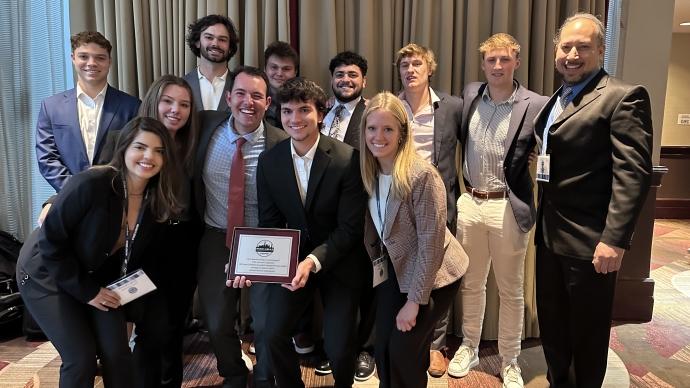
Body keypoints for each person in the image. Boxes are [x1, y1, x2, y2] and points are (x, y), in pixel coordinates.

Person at [17, 117, 181, 388]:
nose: (149, 156)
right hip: (46, 273)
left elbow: (142, 260)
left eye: (159, 151)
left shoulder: (157, 199)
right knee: (80, 358)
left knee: (117, 354)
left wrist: (128, 304)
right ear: (125, 147)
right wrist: (87, 292)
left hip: (96, 276)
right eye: (140, 147)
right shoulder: (92, 183)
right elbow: (51, 243)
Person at [534, 13, 653, 387]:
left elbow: (632, 173)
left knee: (586, 333)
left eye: (583, 47)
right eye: (566, 46)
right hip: (550, 236)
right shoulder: (558, 97)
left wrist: (615, 240)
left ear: (601, 50)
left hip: (591, 242)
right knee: (553, 326)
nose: (572, 54)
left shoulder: (622, 96)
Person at [232, 77, 367, 388]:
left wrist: (312, 262)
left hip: (339, 262)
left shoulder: (348, 160)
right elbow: (270, 222)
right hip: (290, 264)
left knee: (338, 345)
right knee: (272, 332)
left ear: (320, 114)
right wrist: (256, 264)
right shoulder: (269, 162)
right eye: (287, 111)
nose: (294, 119)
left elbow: (349, 229)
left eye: (303, 110)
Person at [447, 33, 548, 388]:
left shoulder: (536, 104)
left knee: (511, 290)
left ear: (516, 62)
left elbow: (547, 149)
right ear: (483, 63)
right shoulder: (470, 94)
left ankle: (510, 361)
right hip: (470, 203)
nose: (498, 66)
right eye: (491, 60)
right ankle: (469, 346)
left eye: (504, 59)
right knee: (470, 285)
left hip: (508, 205)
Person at [360, 91, 469, 388]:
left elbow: (431, 244)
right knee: (383, 347)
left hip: (435, 274)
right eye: (372, 128)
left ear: (402, 133)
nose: (378, 136)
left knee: (402, 351)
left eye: (388, 129)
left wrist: (414, 302)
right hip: (395, 268)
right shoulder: (369, 170)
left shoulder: (421, 176)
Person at [194, 66, 289, 388]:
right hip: (214, 234)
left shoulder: (282, 143)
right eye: (241, 93)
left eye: (257, 96)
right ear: (228, 97)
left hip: (262, 240)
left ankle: (264, 378)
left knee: (265, 323)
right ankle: (233, 373)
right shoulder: (205, 126)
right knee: (217, 320)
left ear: (268, 102)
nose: (248, 102)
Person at [395, 42, 463, 376]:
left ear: (429, 68)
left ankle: (436, 346)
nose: (410, 70)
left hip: (439, 203)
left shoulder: (452, 107)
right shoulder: (390, 106)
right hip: (397, 204)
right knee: (402, 267)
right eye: (404, 65)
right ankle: (404, 333)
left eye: (416, 64)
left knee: (439, 269)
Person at [134, 75, 201, 388]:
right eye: (168, 102)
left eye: (184, 104)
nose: (176, 110)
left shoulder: (192, 145)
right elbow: (100, 182)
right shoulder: (128, 137)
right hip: (143, 247)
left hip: (183, 247)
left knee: (174, 328)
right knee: (150, 330)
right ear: (153, 102)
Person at [318, 50, 376, 381]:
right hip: (326, 216)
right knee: (331, 285)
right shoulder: (319, 111)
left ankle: (365, 350)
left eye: (353, 75)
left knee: (367, 285)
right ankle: (336, 347)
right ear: (332, 79)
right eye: (340, 74)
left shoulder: (372, 113)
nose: (346, 80)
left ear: (363, 81)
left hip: (366, 214)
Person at [36, 31, 140, 191]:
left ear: (109, 61)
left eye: (100, 57)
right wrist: (76, 190)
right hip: (69, 199)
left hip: (115, 199)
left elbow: (135, 155)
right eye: (84, 56)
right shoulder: (51, 107)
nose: (91, 63)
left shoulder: (132, 106)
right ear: (73, 58)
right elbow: (47, 158)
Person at [183, 14, 240, 111]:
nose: (215, 44)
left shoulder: (239, 85)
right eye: (209, 37)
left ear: (230, 47)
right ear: (197, 42)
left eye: (222, 40)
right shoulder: (182, 84)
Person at [263, 41, 299, 129]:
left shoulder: (304, 101)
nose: (279, 73)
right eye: (274, 67)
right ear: (265, 69)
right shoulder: (255, 99)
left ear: (295, 72)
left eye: (286, 69)